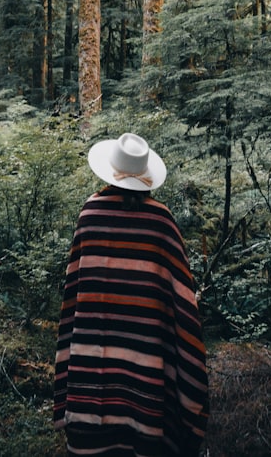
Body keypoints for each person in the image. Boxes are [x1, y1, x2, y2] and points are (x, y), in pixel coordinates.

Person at [53, 133, 209, 457]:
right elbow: (181, 300)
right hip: (144, 371)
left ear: (111, 170)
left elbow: (74, 293)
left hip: (90, 373)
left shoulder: (90, 213)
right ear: (146, 177)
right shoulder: (161, 220)